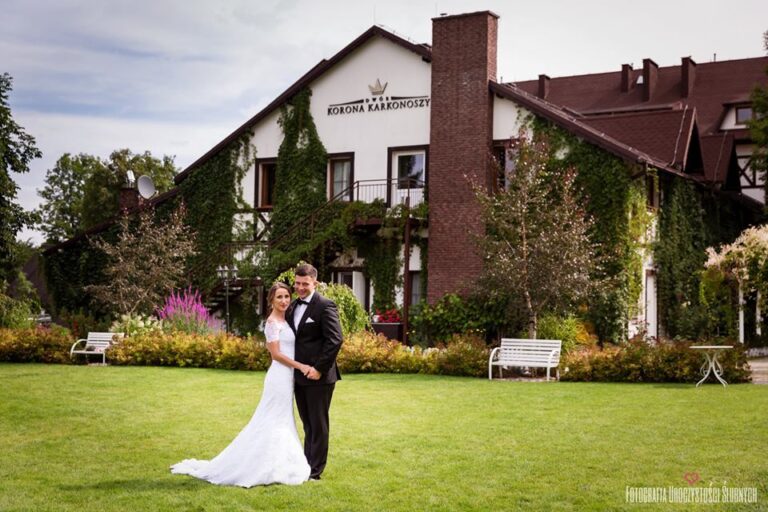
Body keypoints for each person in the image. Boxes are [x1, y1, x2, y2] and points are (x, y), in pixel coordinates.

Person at [170, 282, 312, 487]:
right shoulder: (272, 322)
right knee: (273, 417)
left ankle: (282, 462)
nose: (284, 301)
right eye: (279, 297)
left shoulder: (286, 319)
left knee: (283, 416)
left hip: (288, 377)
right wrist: (300, 366)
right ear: (271, 299)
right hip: (280, 376)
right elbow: (276, 354)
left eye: (286, 297)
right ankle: (261, 465)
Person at [288, 263, 343, 480]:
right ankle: (306, 464)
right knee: (308, 424)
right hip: (299, 376)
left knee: (318, 425)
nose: (300, 288)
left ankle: (315, 471)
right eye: (297, 283)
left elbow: (335, 339)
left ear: (315, 283)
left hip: (319, 378)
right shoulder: (293, 305)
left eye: (305, 284)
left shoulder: (325, 306)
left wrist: (319, 369)